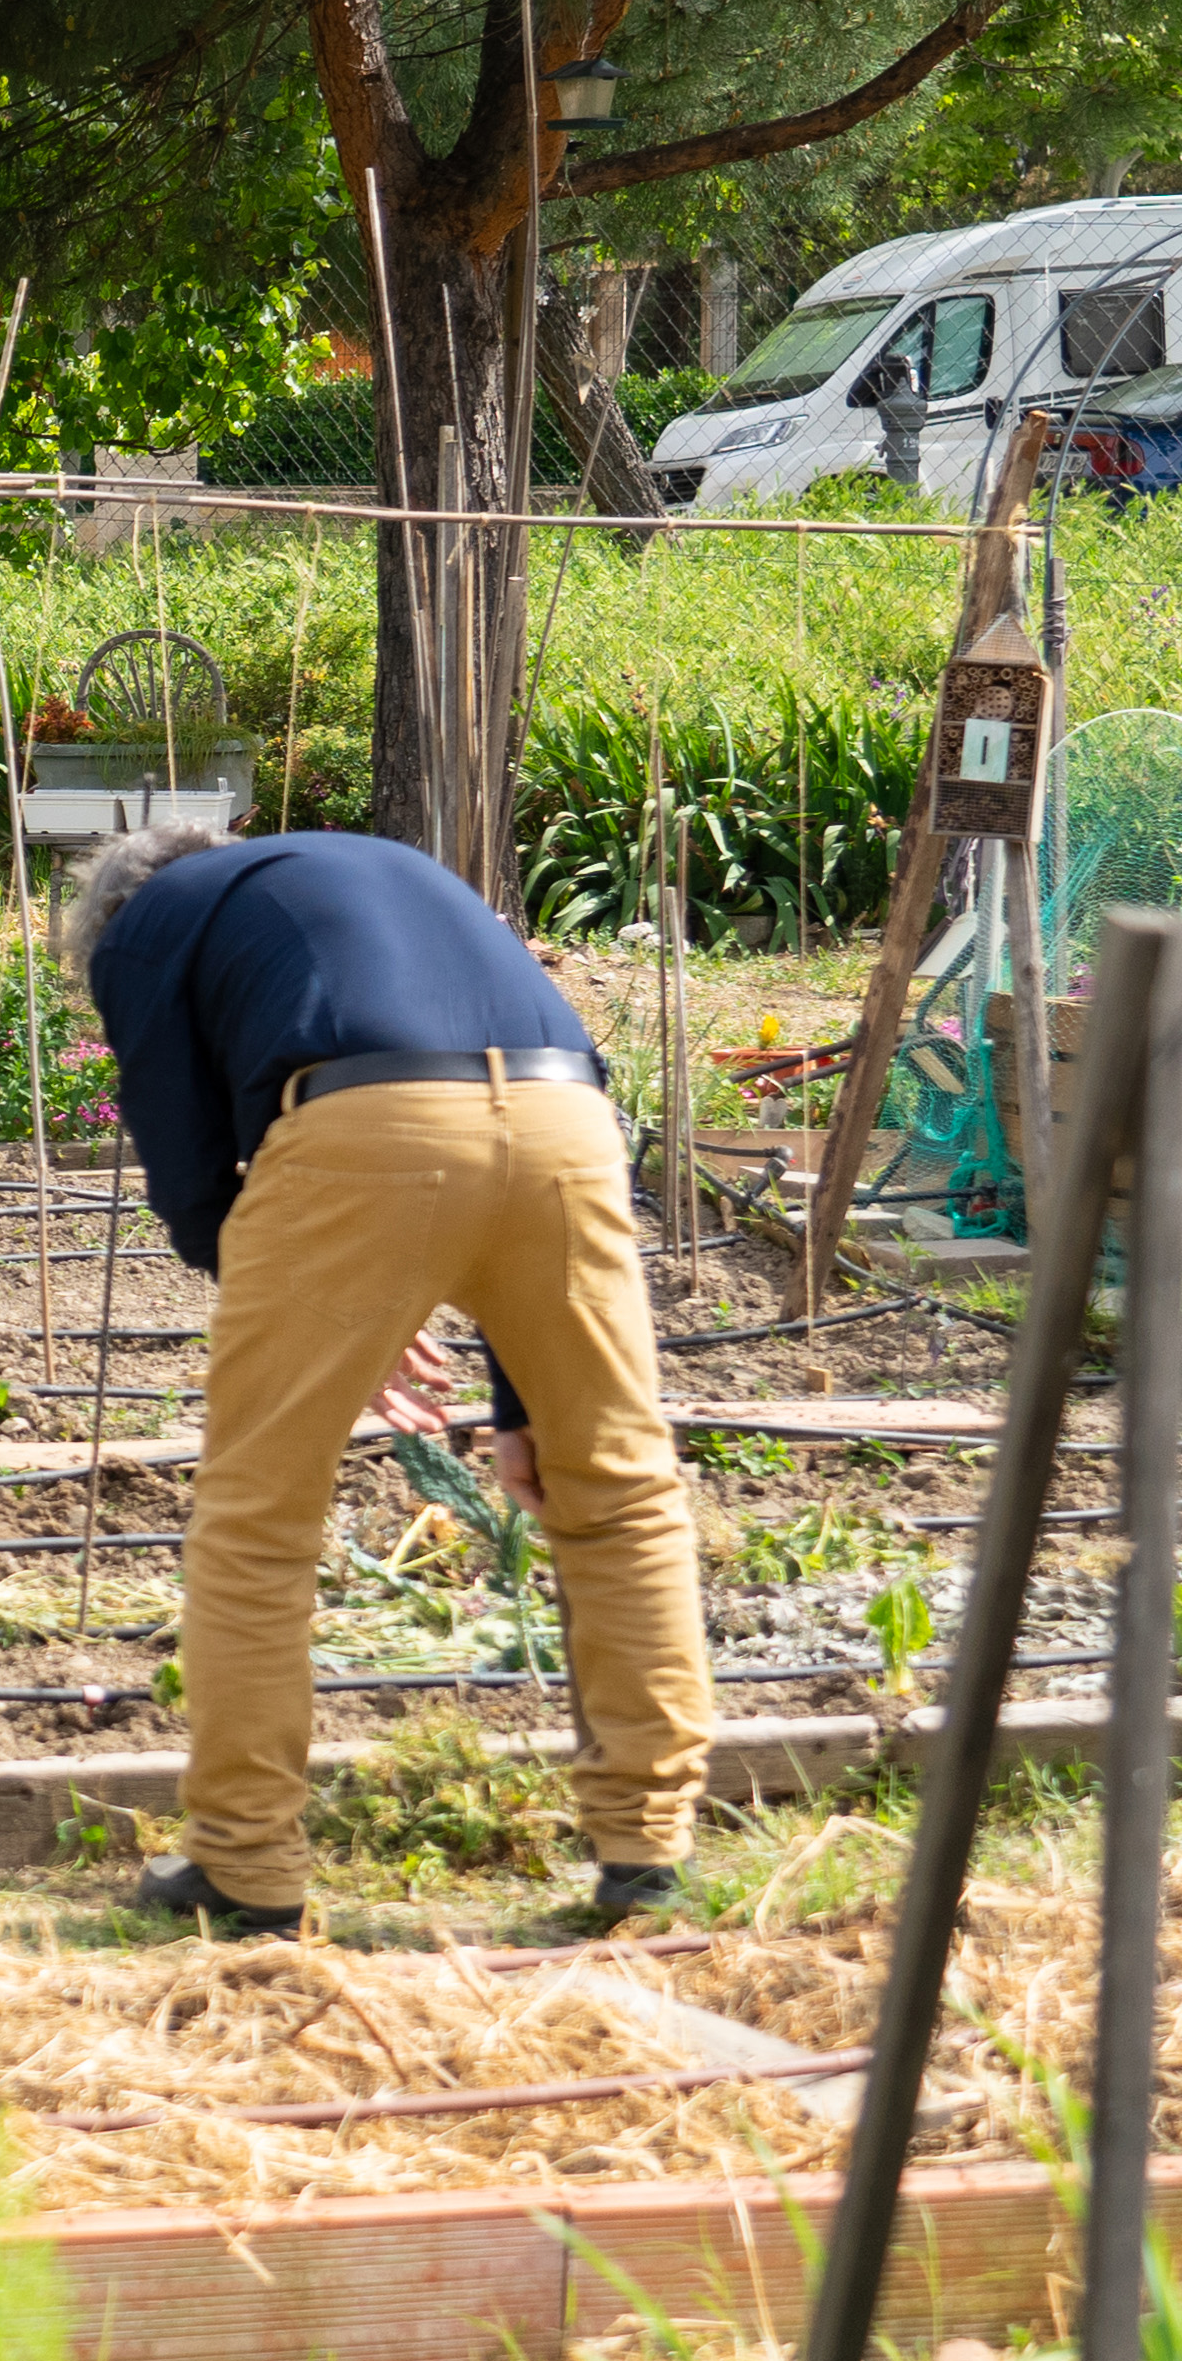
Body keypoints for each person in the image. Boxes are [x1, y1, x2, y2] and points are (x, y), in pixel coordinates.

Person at [64, 823, 710, 1937]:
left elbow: (188, 1180)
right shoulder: (367, 876)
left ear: (112, 917)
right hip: (567, 1121)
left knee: (257, 1518)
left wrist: (334, 1306)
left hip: (363, 1125)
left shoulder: (141, 935)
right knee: (616, 1489)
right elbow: (492, 1103)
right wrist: (517, 1407)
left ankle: (244, 1865)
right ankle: (645, 1859)